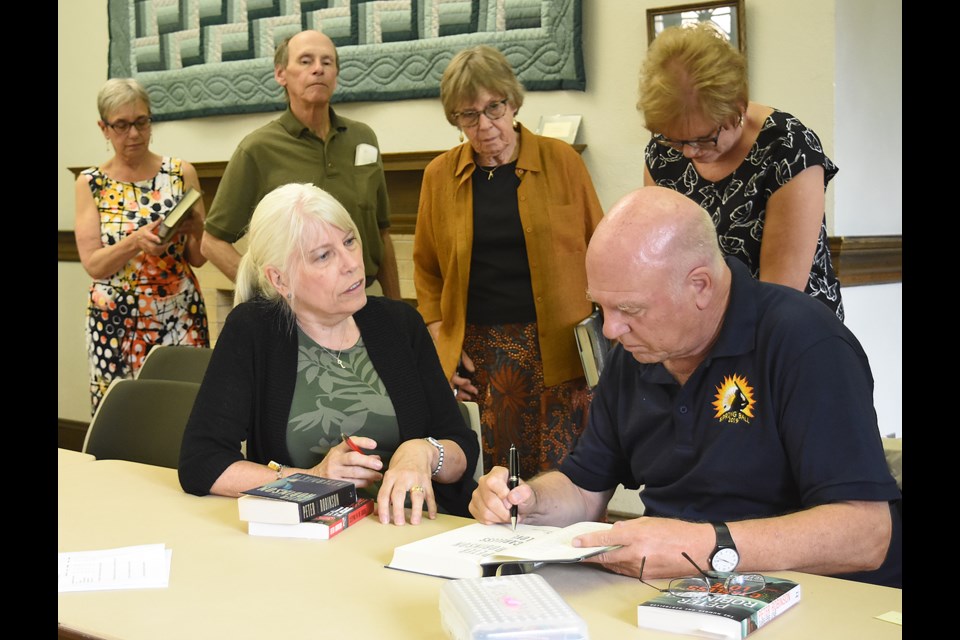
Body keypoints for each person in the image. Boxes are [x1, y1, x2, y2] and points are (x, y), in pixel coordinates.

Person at [470, 187, 901, 588]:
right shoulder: (637, 352)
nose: (612, 329)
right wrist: (530, 500)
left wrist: (703, 547)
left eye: (629, 308)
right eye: (601, 306)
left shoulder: (805, 343)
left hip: (809, 594)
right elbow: (585, 488)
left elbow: (865, 534)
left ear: (700, 285)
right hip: (677, 589)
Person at [179, 183, 478, 524]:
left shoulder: (399, 324)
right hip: (311, 543)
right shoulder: (254, 330)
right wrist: (312, 479)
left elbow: (461, 446)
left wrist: (425, 452)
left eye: (349, 241)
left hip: (413, 531)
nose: (352, 263)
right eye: (324, 255)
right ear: (280, 279)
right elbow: (202, 462)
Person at [414, 45, 604, 475]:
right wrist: (442, 336)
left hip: (564, 345)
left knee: (573, 470)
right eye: (468, 115)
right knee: (507, 472)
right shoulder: (439, 177)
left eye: (493, 108)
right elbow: (426, 269)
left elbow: (600, 245)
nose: (484, 126)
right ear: (455, 120)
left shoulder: (562, 162)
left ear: (513, 102)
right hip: (490, 354)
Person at [639, 23, 844, 320]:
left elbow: (779, 294)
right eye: (675, 139)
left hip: (788, 331)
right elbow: (664, 260)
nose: (688, 152)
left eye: (702, 138)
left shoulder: (788, 149)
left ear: (738, 107)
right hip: (702, 330)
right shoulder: (663, 153)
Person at [201, 29, 400, 299]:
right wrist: (267, 295)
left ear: (336, 75)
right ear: (281, 74)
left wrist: (396, 305)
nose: (318, 69)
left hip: (366, 298)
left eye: (327, 62)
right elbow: (211, 243)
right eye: (306, 61)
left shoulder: (362, 138)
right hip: (298, 310)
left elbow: (381, 233)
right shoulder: (258, 149)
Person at [75, 78, 209, 413]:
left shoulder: (180, 172)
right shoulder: (91, 183)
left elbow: (198, 257)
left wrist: (196, 229)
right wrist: (135, 242)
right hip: (115, 319)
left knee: (185, 410)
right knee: (123, 416)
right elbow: (94, 263)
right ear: (104, 128)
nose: (134, 134)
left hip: (178, 311)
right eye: (121, 125)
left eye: (141, 122)